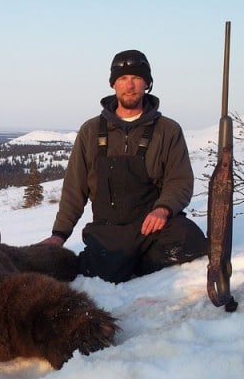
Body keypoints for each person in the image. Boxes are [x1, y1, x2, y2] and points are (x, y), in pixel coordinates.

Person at [40, 49, 207, 283]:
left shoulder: (167, 130)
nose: (130, 85)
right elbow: (74, 189)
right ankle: (123, 263)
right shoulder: (91, 130)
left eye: (136, 78)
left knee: (191, 240)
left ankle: (134, 265)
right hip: (109, 231)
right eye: (123, 79)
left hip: (152, 226)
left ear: (147, 83)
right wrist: (59, 235)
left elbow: (179, 181)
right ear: (113, 85)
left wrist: (164, 209)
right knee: (95, 274)